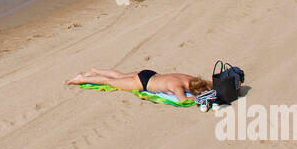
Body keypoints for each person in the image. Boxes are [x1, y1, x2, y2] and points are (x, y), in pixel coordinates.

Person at [67, 67, 212, 103]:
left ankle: (95, 71)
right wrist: (198, 98)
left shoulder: (189, 78)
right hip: (142, 83)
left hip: (149, 73)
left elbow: (208, 83)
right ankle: (81, 79)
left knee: (119, 75)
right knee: (110, 82)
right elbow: (183, 100)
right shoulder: (178, 86)